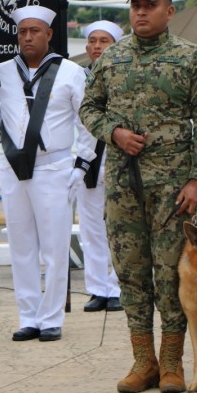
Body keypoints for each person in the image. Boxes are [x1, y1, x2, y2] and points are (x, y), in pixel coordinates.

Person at [79, 0, 197, 393]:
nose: (141, 11)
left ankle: (173, 360)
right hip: (123, 185)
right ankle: (144, 361)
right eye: (136, 5)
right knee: (131, 273)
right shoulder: (110, 59)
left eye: (150, 5)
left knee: (172, 272)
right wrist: (114, 133)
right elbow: (89, 108)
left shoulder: (192, 59)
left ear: (169, 11)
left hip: (173, 189)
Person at [0, 5, 96, 343]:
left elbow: (87, 122)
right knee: (20, 245)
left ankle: (50, 317)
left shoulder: (72, 72)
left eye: (35, 31)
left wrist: (82, 163)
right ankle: (28, 315)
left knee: (55, 245)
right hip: (14, 166)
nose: (28, 37)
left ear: (49, 34)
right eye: (22, 32)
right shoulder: (0, 72)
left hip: (54, 166)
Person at [78, 21, 124, 313]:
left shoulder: (124, 76)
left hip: (118, 155)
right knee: (91, 227)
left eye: (103, 41)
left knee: (119, 225)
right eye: (93, 41)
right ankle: (97, 288)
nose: (97, 46)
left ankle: (118, 286)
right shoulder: (76, 78)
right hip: (86, 157)